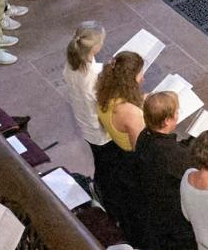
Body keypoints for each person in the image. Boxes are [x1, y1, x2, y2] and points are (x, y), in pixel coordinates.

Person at [135, 90, 201, 250]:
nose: (178, 116)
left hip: (152, 215)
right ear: (166, 121)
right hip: (176, 228)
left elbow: (173, 150)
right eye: (175, 114)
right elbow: (187, 166)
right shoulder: (173, 156)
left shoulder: (145, 137)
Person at [93, 52, 148, 236]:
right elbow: (140, 147)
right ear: (131, 79)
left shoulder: (105, 92)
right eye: (141, 74)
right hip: (130, 158)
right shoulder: (131, 113)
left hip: (116, 145)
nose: (144, 77)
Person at [63, 23, 114, 182]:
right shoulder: (93, 77)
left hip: (84, 121)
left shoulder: (72, 64)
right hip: (99, 130)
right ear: (96, 48)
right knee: (107, 163)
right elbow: (103, 102)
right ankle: (102, 186)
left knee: (100, 159)